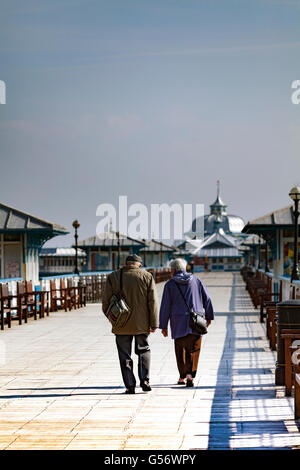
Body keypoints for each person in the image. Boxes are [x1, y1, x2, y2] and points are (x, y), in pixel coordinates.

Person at [102, 254, 159, 394]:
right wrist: (154, 323)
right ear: (139, 264)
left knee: (124, 354)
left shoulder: (113, 276)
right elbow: (153, 302)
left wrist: (113, 319)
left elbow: (106, 302)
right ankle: (145, 380)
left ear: (126, 263)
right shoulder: (147, 276)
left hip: (121, 323)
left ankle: (130, 385)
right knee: (144, 350)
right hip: (142, 323)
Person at [159, 258, 214, 387]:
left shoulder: (170, 284)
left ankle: (182, 376)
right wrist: (209, 316)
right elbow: (208, 299)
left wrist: (163, 325)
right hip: (196, 320)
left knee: (180, 348)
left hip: (178, 321)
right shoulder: (196, 280)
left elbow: (165, 306)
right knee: (194, 348)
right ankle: (190, 375)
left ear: (173, 270)